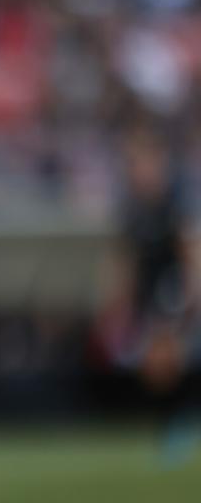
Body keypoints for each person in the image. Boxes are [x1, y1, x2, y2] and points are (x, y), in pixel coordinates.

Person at [93, 126, 200, 463]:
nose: (139, 169)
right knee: (155, 369)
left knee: (165, 358)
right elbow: (124, 257)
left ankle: (179, 423)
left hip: (174, 288)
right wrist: (116, 303)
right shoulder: (131, 206)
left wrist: (190, 295)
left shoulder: (178, 198)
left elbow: (191, 251)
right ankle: (176, 423)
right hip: (150, 291)